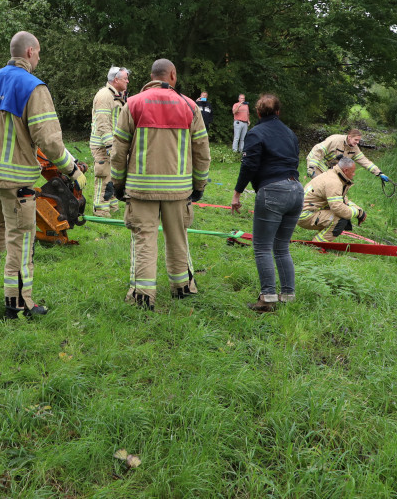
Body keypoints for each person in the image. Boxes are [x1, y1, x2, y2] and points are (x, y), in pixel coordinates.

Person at [0, 31, 85, 319]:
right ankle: (18, 305)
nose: (39, 57)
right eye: (39, 52)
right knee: (21, 238)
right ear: (30, 52)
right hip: (16, 183)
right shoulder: (33, 87)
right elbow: (50, 140)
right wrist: (72, 169)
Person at [111, 59, 210, 310]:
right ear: (172, 75)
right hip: (178, 191)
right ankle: (183, 288)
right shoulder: (189, 106)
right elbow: (201, 151)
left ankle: (142, 296)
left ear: (151, 76)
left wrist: (118, 184)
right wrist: (198, 186)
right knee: (178, 238)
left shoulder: (132, 104)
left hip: (141, 189)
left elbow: (118, 151)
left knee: (144, 240)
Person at [231, 94, 302, 313]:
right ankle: (288, 295)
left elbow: (249, 165)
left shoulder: (256, 133)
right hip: (296, 190)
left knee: (262, 247)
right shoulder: (290, 134)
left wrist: (237, 193)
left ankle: (267, 298)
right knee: (281, 247)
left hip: (273, 191)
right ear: (278, 112)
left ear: (258, 113)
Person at [89, 66, 129, 217]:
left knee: (112, 176)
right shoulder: (105, 95)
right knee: (104, 175)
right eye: (125, 78)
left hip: (111, 145)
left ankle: (112, 206)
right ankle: (100, 209)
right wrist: (110, 146)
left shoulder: (116, 95)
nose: (128, 81)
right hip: (102, 145)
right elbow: (103, 123)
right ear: (116, 79)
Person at [296, 157, 365, 242]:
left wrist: (359, 210)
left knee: (340, 214)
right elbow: (338, 208)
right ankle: (318, 244)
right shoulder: (334, 182)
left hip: (301, 212)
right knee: (340, 219)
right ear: (346, 170)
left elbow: (342, 200)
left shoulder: (332, 175)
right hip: (305, 215)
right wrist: (357, 213)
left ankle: (320, 240)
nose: (354, 174)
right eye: (353, 171)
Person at [306, 129, 389, 185]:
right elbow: (318, 151)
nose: (357, 142)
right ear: (349, 137)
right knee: (322, 184)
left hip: (330, 166)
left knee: (332, 185)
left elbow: (364, 161)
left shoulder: (354, 148)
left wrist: (379, 173)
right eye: (356, 140)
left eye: (359, 140)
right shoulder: (335, 140)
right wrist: (311, 167)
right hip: (317, 161)